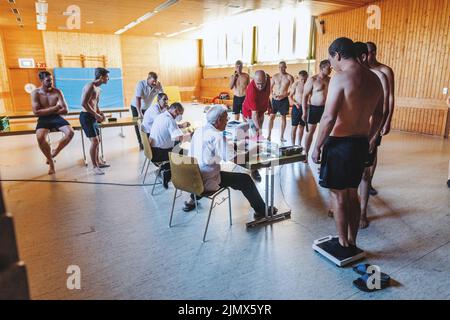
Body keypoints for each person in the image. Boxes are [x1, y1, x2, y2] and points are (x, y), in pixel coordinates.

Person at [311, 37, 384, 255]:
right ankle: (352, 239)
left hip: (340, 144)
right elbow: (379, 115)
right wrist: (370, 138)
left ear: (338, 55)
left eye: (331, 59)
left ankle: (342, 243)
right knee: (353, 195)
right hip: (360, 143)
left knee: (338, 196)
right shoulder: (375, 78)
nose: (331, 64)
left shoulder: (340, 78)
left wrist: (317, 146)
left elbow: (329, 117)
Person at [183, 105, 276, 219]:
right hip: (206, 179)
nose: (227, 121)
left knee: (216, 173)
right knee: (245, 180)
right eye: (226, 118)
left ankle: (190, 201)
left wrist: (231, 147)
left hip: (191, 176)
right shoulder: (217, 135)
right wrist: (253, 151)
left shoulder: (199, 130)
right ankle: (261, 211)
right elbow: (236, 159)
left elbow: (211, 149)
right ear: (219, 120)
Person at [353, 42, 390, 229]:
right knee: (350, 174)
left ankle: (362, 212)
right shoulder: (350, 75)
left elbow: (385, 103)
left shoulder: (382, 74)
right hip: (352, 132)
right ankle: (343, 207)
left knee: (365, 175)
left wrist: (379, 130)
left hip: (369, 130)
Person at [366, 42, 396, 196]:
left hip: (379, 116)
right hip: (364, 117)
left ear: (374, 52)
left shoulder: (384, 70)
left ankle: (369, 182)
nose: (367, 56)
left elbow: (390, 96)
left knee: (373, 149)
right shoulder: (363, 70)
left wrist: (388, 119)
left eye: (370, 52)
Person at [31, 71, 74, 174]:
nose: (51, 82)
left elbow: (65, 110)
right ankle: (51, 162)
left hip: (56, 117)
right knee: (40, 137)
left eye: (52, 80)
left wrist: (48, 111)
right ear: (41, 80)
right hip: (43, 119)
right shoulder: (35, 93)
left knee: (70, 133)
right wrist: (55, 107)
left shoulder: (57, 91)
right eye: (48, 80)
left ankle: (55, 151)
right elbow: (36, 112)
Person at [149, 103, 191, 188]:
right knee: (187, 154)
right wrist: (192, 134)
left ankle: (165, 168)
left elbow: (172, 130)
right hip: (159, 153)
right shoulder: (170, 120)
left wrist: (181, 128)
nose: (180, 116)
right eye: (180, 114)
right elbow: (179, 137)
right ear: (175, 111)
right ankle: (167, 172)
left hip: (152, 150)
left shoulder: (161, 116)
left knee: (178, 146)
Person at [242, 70, 272, 182]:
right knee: (256, 138)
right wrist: (259, 130)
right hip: (250, 113)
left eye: (262, 83)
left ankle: (256, 154)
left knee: (257, 137)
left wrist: (269, 104)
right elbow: (254, 115)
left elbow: (267, 93)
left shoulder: (268, 80)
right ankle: (254, 169)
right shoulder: (251, 91)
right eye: (257, 83)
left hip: (261, 110)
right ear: (253, 80)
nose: (260, 86)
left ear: (265, 79)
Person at [79, 67, 110, 175]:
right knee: (95, 141)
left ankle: (98, 162)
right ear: (101, 77)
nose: (108, 79)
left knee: (98, 141)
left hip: (92, 116)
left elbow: (95, 104)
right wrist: (96, 115)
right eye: (107, 77)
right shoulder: (90, 86)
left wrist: (100, 113)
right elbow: (84, 103)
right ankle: (95, 166)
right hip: (86, 116)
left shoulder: (98, 89)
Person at [302, 60, 332, 162]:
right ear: (322, 68)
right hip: (314, 108)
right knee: (311, 131)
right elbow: (305, 96)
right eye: (328, 68)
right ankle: (305, 153)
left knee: (326, 132)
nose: (330, 69)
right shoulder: (312, 79)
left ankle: (322, 157)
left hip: (326, 108)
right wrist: (304, 111)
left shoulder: (330, 80)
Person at [131, 72, 164, 149]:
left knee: (148, 124)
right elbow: (138, 99)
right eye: (153, 81)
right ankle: (140, 143)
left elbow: (162, 95)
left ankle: (148, 143)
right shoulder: (140, 84)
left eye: (156, 81)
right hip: (136, 106)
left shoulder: (158, 84)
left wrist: (164, 107)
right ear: (148, 79)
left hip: (147, 107)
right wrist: (140, 113)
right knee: (138, 124)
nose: (155, 83)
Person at [268, 61, 294, 142]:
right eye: (279, 67)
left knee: (283, 118)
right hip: (274, 100)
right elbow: (270, 88)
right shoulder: (275, 76)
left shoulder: (289, 77)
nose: (281, 68)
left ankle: (282, 136)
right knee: (271, 117)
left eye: (283, 67)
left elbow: (292, 90)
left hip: (284, 100)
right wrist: (272, 95)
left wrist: (284, 95)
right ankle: (269, 135)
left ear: (285, 67)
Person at [289, 70, 309, 146]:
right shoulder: (296, 84)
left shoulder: (309, 84)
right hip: (297, 107)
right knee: (294, 127)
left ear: (307, 77)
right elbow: (290, 96)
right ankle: (293, 145)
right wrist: (295, 103)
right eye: (301, 79)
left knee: (302, 127)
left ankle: (299, 144)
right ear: (299, 77)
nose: (303, 81)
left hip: (306, 108)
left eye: (305, 79)